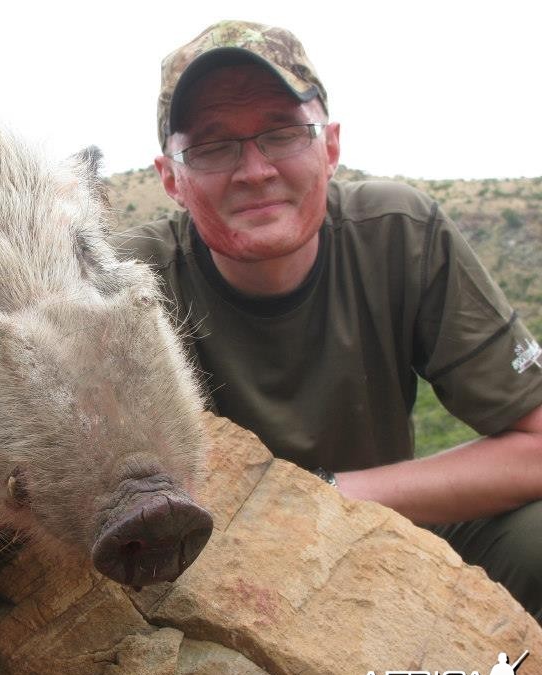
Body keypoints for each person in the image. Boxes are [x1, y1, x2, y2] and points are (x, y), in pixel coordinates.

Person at [116, 20, 542, 621]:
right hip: (211, 562)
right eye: (213, 146)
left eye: (283, 133)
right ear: (170, 179)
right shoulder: (127, 284)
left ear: (331, 146)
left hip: (386, 528)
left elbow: (537, 445)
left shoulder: (401, 233)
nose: (255, 169)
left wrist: (325, 496)